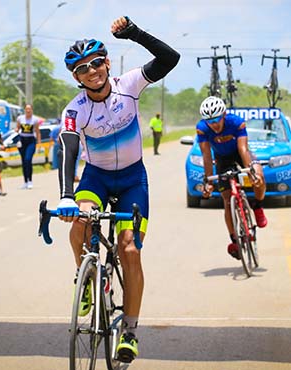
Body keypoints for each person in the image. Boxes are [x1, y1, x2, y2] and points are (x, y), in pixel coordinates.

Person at [55, 16, 180, 363]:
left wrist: (135, 34)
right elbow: (68, 150)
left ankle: (130, 329)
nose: (91, 70)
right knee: (79, 220)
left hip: (131, 179)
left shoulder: (129, 84)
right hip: (95, 177)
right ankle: (84, 272)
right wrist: (67, 195)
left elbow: (171, 59)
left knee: (130, 250)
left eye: (96, 62)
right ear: (76, 77)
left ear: (107, 63)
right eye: (82, 68)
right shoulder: (74, 110)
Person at [197, 96, 267, 260]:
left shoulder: (236, 122)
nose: (213, 124)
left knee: (259, 177)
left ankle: (257, 206)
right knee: (227, 201)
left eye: (216, 119)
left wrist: (251, 172)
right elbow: (207, 156)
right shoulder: (202, 129)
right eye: (209, 121)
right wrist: (208, 181)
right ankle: (234, 240)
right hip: (222, 160)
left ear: (224, 115)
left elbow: (243, 149)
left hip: (240, 155)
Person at [15, 104, 40, 189]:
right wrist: (16, 132)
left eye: (29, 109)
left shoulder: (35, 120)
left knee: (28, 159)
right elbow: (17, 129)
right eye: (26, 109)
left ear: (32, 110)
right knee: (24, 162)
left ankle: (30, 181)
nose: (28, 111)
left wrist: (39, 144)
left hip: (31, 141)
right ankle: (25, 181)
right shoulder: (20, 118)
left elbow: (37, 131)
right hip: (22, 140)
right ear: (24, 110)